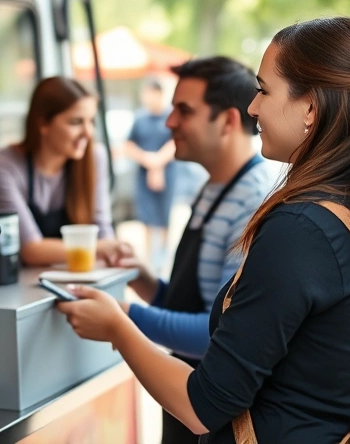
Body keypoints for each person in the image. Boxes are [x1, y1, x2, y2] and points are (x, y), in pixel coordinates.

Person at [56, 17, 350, 442]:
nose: (252, 107)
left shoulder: (300, 228)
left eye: (263, 90)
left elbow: (203, 406)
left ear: (311, 107)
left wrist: (118, 327)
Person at [105, 57, 278, 444]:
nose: (169, 123)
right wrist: (142, 279)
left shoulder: (250, 201)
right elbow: (197, 301)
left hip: (208, 412)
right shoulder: (215, 187)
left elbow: (216, 334)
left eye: (184, 111)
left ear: (229, 121)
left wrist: (121, 319)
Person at [0, 76, 131, 266]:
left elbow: (102, 230)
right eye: (76, 122)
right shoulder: (2, 165)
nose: (88, 133)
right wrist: (101, 248)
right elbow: (31, 249)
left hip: (76, 277)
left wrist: (110, 250)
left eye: (91, 121)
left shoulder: (94, 157)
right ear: (43, 124)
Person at [124, 79, 177, 273]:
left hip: (168, 173)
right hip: (143, 173)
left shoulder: (170, 117)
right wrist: (148, 161)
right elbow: (129, 144)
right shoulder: (140, 119)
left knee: (164, 218)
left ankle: (161, 260)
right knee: (146, 218)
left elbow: (174, 143)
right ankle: (148, 261)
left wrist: (158, 164)